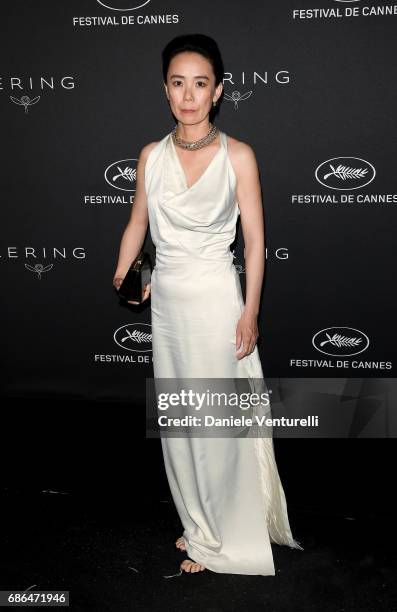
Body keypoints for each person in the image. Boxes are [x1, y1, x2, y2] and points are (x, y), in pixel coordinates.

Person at [113, 33, 303, 576]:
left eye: (200, 84)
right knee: (180, 422)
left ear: (218, 92)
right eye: (178, 84)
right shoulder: (151, 156)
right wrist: (125, 271)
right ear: (166, 91)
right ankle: (197, 521)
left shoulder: (238, 155)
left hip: (219, 302)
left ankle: (224, 535)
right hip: (169, 304)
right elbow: (137, 225)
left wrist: (250, 312)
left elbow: (255, 243)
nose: (189, 96)